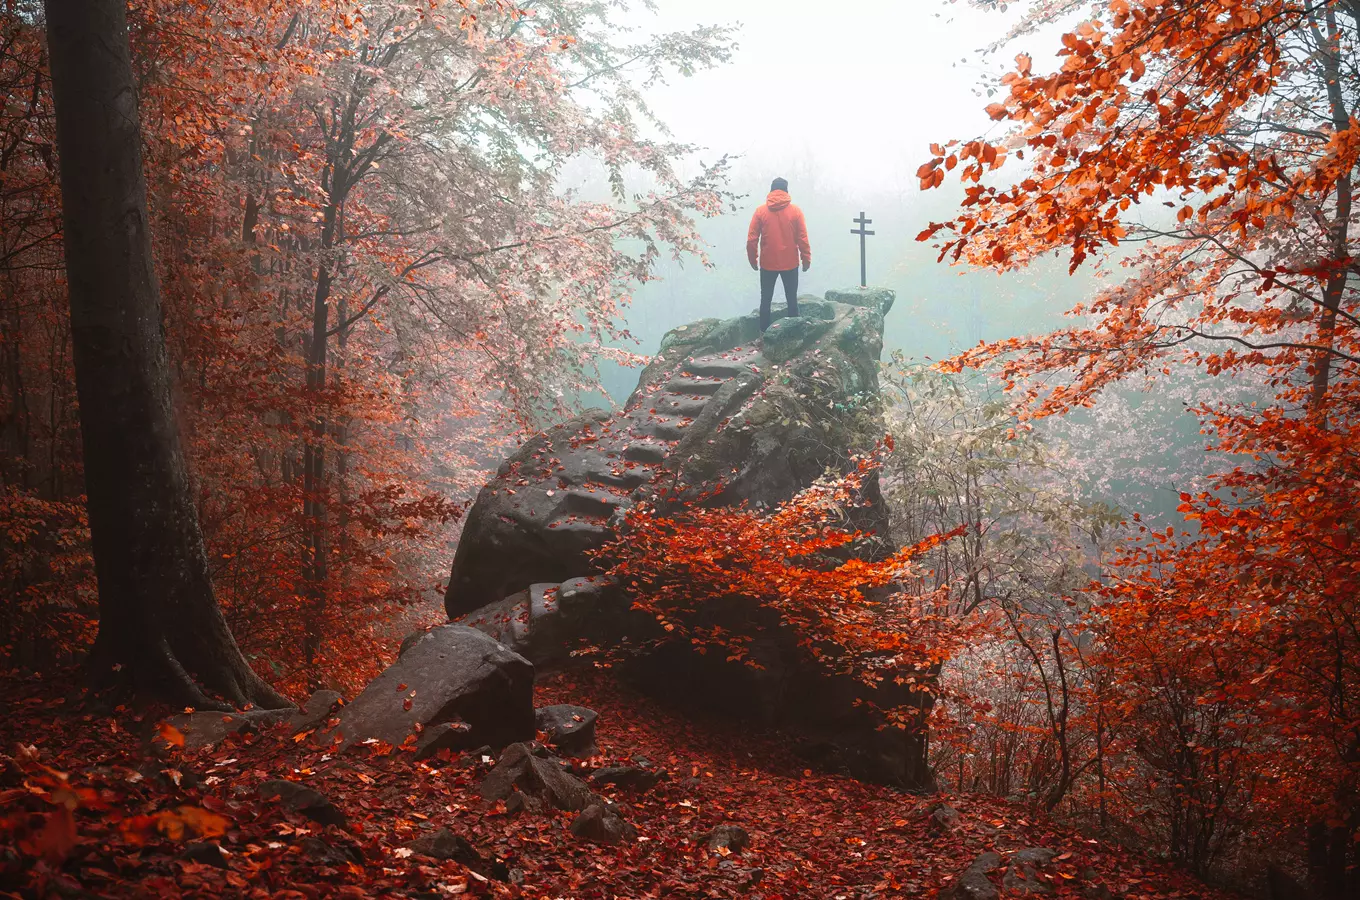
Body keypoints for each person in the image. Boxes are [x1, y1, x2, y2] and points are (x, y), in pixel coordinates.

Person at [746, 177, 811, 331]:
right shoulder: (795, 211)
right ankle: (794, 334)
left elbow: (752, 239)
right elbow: (802, 238)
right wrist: (806, 259)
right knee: (791, 300)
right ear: (786, 190)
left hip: (768, 263)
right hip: (790, 263)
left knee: (766, 300)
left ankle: (764, 334)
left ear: (771, 190)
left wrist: (753, 259)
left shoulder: (761, 211)